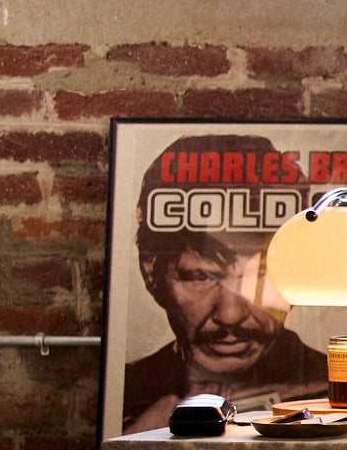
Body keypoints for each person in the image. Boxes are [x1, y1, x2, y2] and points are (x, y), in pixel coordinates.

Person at [121, 135, 330, 430]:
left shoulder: (341, 391)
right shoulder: (128, 392)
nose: (231, 314)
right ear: (150, 272)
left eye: (261, 276)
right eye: (201, 276)